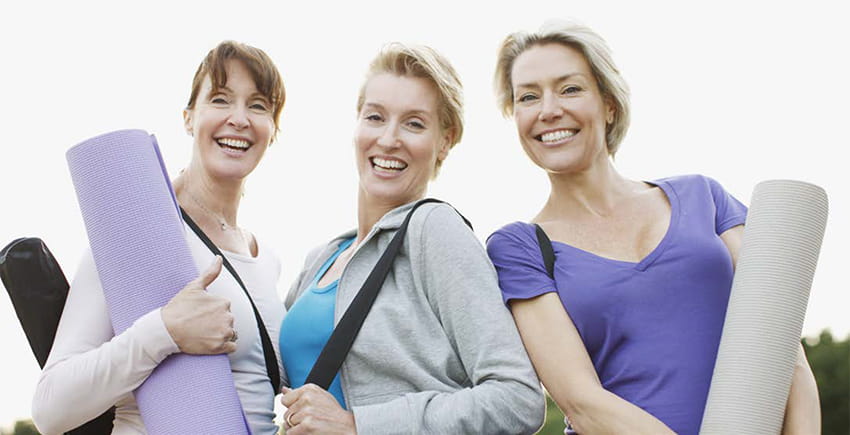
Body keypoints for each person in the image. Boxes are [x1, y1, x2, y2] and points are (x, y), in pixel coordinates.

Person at [485, 20, 821, 435]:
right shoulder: (518, 247)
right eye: (528, 97)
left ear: (609, 103)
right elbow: (582, 402)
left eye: (570, 88)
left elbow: (786, 352)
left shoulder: (704, 198)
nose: (548, 109)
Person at [278, 43, 544, 434]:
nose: (388, 139)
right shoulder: (321, 258)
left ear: (445, 140)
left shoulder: (434, 231)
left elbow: (518, 399)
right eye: (375, 117)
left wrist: (359, 425)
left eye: (414, 123)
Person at [32, 41, 286, 435]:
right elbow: (50, 408)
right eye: (220, 99)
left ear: (273, 131)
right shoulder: (136, 235)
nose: (239, 118)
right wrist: (164, 330)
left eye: (258, 105)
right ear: (188, 118)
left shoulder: (267, 259)